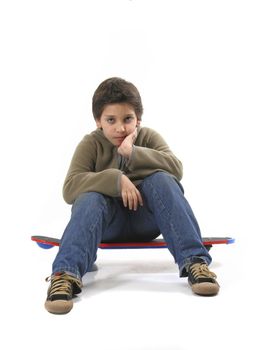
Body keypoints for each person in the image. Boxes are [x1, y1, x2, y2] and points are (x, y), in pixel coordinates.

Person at [45, 77, 219, 314]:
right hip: (107, 224)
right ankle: (65, 273)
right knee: (89, 197)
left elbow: (176, 169)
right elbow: (70, 188)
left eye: (128, 119)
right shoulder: (90, 144)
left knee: (162, 179)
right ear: (98, 121)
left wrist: (134, 152)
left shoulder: (148, 137)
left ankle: (195, 262)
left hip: (145, 220)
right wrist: (116, 179)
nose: (120, 128)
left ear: (138, 119)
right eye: (111, 120)